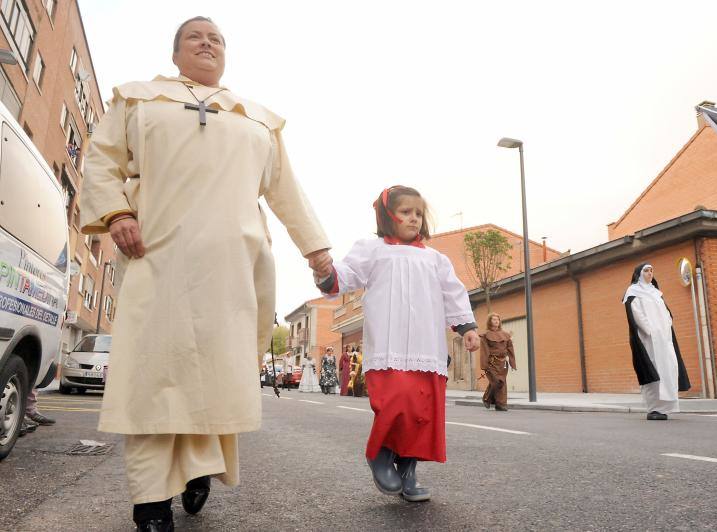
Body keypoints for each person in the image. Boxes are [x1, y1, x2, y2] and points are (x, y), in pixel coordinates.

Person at [78, 16, 332, 531]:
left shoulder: (257, 119)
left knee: (211, 377)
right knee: (152, 377)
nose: (207, 42)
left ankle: (197, 469)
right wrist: (117, 214)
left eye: (216, 38)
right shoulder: (138, 100)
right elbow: (100, 161)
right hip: (156, 258)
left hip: (231, 271)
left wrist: (318, 252)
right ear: (175, 54)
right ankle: (150, 503)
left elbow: (287, 191)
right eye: (195, 36)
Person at [316, 185, 480, 502]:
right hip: (388, 350)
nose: (414, 219)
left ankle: (408, 471)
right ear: (387, 216)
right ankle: (380, 453)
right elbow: (345, 277)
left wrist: (467, 327)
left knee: (422, 414)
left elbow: (454, 295)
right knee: (397, 403)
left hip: (427, 349)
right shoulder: (372, 249)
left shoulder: (436, 259)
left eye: (418, 213)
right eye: (406, 212)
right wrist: (326, 273)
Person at [623, 263, 690, 421]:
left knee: (670, 368)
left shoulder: (656, 292)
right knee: (654, 370)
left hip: (665, 339)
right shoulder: (633, 292)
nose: (650, 273)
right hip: (649, 339)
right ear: (639, 274)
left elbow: (666, 313)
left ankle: (666, 407)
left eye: (652, 270)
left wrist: (666, 328)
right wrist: (650, 331)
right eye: (646, 270)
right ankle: (654, 408)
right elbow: (636, 313)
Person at [479, 313, 517, 411]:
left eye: (497, 319)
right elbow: (484, 350)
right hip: (492, 362)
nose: (496, 321)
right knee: (496, 382)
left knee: (502, 382)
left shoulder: (506, 335)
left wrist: (512, 362)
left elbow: (510, 348)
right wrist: (484, 364)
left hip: (503, 362)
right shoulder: (485, 335)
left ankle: (501, 404)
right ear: (490, 321)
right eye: (494, 319)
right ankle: (487, 398)